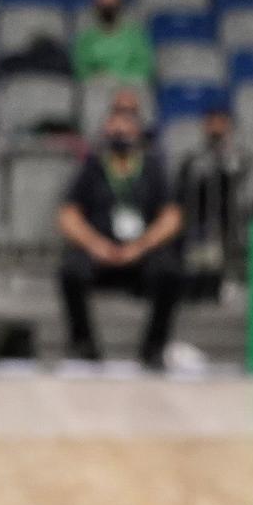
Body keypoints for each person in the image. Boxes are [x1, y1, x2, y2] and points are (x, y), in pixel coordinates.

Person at [57, 97, 184, 368]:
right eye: (116, 124)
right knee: (70, 271)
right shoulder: (93, 167)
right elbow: (68, 215)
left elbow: (172, 217)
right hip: (100, 250)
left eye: (127, 124)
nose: (121, 131)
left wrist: (140, 246)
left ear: (138, 130)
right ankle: (83, 345)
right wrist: (95, 244)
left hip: (140, 251)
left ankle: (154, 347)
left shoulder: (152, 167)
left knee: (169, 271)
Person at [174, 108, 249, 297]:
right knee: (197, 258)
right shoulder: (195, 156)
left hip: (228, 216)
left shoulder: (238, 154)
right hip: (199, 215)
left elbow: (237, 175)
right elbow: (187, 180)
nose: (216, 128)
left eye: (221, 123)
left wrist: (225, 155)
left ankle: (229, 281)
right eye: (212, 123)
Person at [71, 0, 154, 87]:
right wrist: (98, 78)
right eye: (104, 4)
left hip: (131, 91)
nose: (108, 7)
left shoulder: (136, 36)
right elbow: (81, 69)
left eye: (112, 3)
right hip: (95, 90)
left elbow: (144, 67)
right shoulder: (85, 38)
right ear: (96, 5)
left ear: (120, 5)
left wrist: (120, 79)